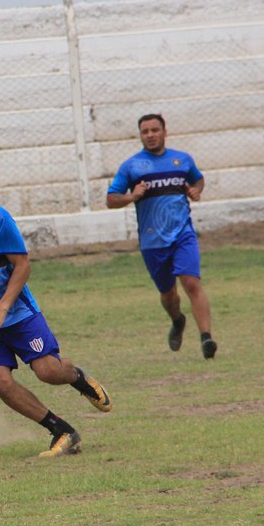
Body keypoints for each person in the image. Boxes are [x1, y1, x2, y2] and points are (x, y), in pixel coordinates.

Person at [0, 144, 112, 458]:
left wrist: (1, 309)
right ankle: (60, 430)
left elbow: (23, 265)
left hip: (16, 313)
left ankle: (78, 377)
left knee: (49, 372)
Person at [106, 114, 217, 359]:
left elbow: (198, 180)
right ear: (140, 135)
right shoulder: (132, 167)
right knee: (168, 294)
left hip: (182, 235)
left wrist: (195, 191)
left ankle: (206, 339)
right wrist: (131, 196)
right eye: (145, 131)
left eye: (155, 130)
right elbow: (111, 199)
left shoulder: (182, 160)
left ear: (165, 132)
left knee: (191, 283)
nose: (150, 135)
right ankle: (177, 320)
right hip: (153, 241)